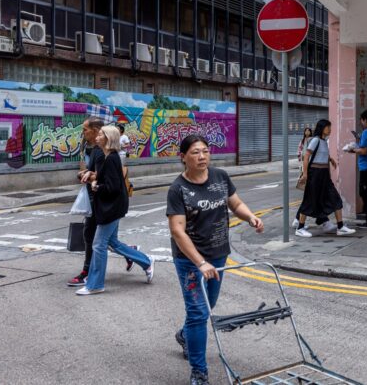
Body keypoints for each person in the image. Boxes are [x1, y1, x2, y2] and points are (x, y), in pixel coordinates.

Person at [167, 135, 264, 385]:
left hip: (219, 254)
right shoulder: (178, 189)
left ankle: (185, 335)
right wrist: (200, 262)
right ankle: (199, 372)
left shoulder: (220, 177)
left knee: (208, 306)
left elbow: (235, 203)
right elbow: (177, 230)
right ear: (183, 157)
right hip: (191, 260)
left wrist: (250, 217)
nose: (202, 156)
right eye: (196, 152)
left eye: (205, 151)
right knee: (198, 312)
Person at [76, 125, 154, 295]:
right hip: (110, 206)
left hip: (112, 207)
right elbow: (108, 180)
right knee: (112, 242)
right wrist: (91, 176)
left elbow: (113, 187)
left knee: (98, 244)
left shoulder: (111, 158)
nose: (98, 135)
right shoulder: (105, 155)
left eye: (101, 134)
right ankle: (146, 261)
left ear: (108, 138)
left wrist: (96, 186)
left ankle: (95, 284)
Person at [295, 119, 355, 238]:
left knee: (335, 198)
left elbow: (321, 154)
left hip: (324, 175)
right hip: (315, 174)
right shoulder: (315, 140)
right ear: (322, 128)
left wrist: (330, 159)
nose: (330, 129)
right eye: (328, 127)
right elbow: (306, 156)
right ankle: (300, 228)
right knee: (309, 200)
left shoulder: (323, 141)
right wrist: (305, 174)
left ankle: (340, 227)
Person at [67, 117, 105, 287]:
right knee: (103, 238)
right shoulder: (87, 147)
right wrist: (83, 173)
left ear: (96, 130)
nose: (83, 132)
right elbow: (86, 169)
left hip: (100, 199)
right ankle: (136, 254)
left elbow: (104, 176)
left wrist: (89, 176)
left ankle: (87, 272)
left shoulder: (102, 151)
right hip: (92, 197)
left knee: (91, 235)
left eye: (85, 129)